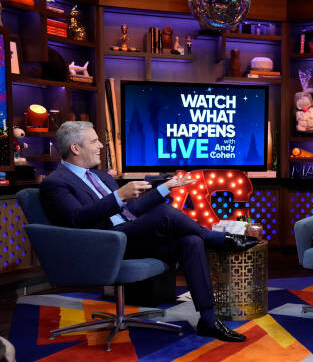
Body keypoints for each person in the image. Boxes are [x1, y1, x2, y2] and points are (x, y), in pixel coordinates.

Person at [39, 121, 259, 342]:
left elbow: (130, 211)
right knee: (164, 212)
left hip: (129, 237)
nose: (100, 146)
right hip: (104, 245)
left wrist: (166, 187)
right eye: (94, 141)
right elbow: (76, 219)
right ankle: (215, 237)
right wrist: (119, 196)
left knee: (190, 241)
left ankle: (208, 320)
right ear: (75, 148)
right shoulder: (56, 182)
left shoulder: (101, 177)